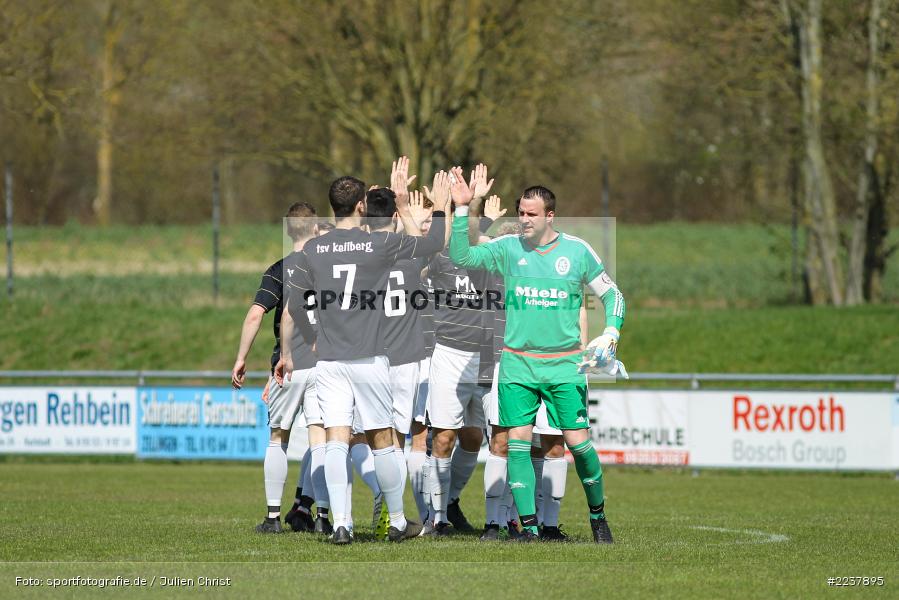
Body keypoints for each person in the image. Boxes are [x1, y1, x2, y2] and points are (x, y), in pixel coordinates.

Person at [448, 165, 625, 543]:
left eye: (531, 214)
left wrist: (611, 331)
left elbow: (613, 295)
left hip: (565, 366)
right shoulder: (508, 249)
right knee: (517, 442)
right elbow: (461, 257)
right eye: (520, 213)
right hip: (517, 364)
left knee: (579, 446)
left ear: (550, 216)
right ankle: (527, 528)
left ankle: (598, 518)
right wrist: (462, 209)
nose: (524, 220)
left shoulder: (577, 251)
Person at [280, 157, 450, 544]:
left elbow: (295, 303)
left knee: (337, 438)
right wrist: (439, 206)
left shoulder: (315, 249)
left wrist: (312, 337)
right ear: (361, 206)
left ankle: (341, 524)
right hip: (371, 358)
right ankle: (397, 520)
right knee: (382, 439)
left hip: (330, 361)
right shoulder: (381, 242)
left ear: (332, 208)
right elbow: (435, 243)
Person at [231, 201, 322, 534]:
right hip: (325, 364)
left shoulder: (278, 270)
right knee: (322, 438)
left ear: (287, 231)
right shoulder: (330, 266)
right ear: (315, 228)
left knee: (278, 439)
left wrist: (241, 357)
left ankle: (272, 518)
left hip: (288, 364)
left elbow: (256, 314)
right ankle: (320, 514)